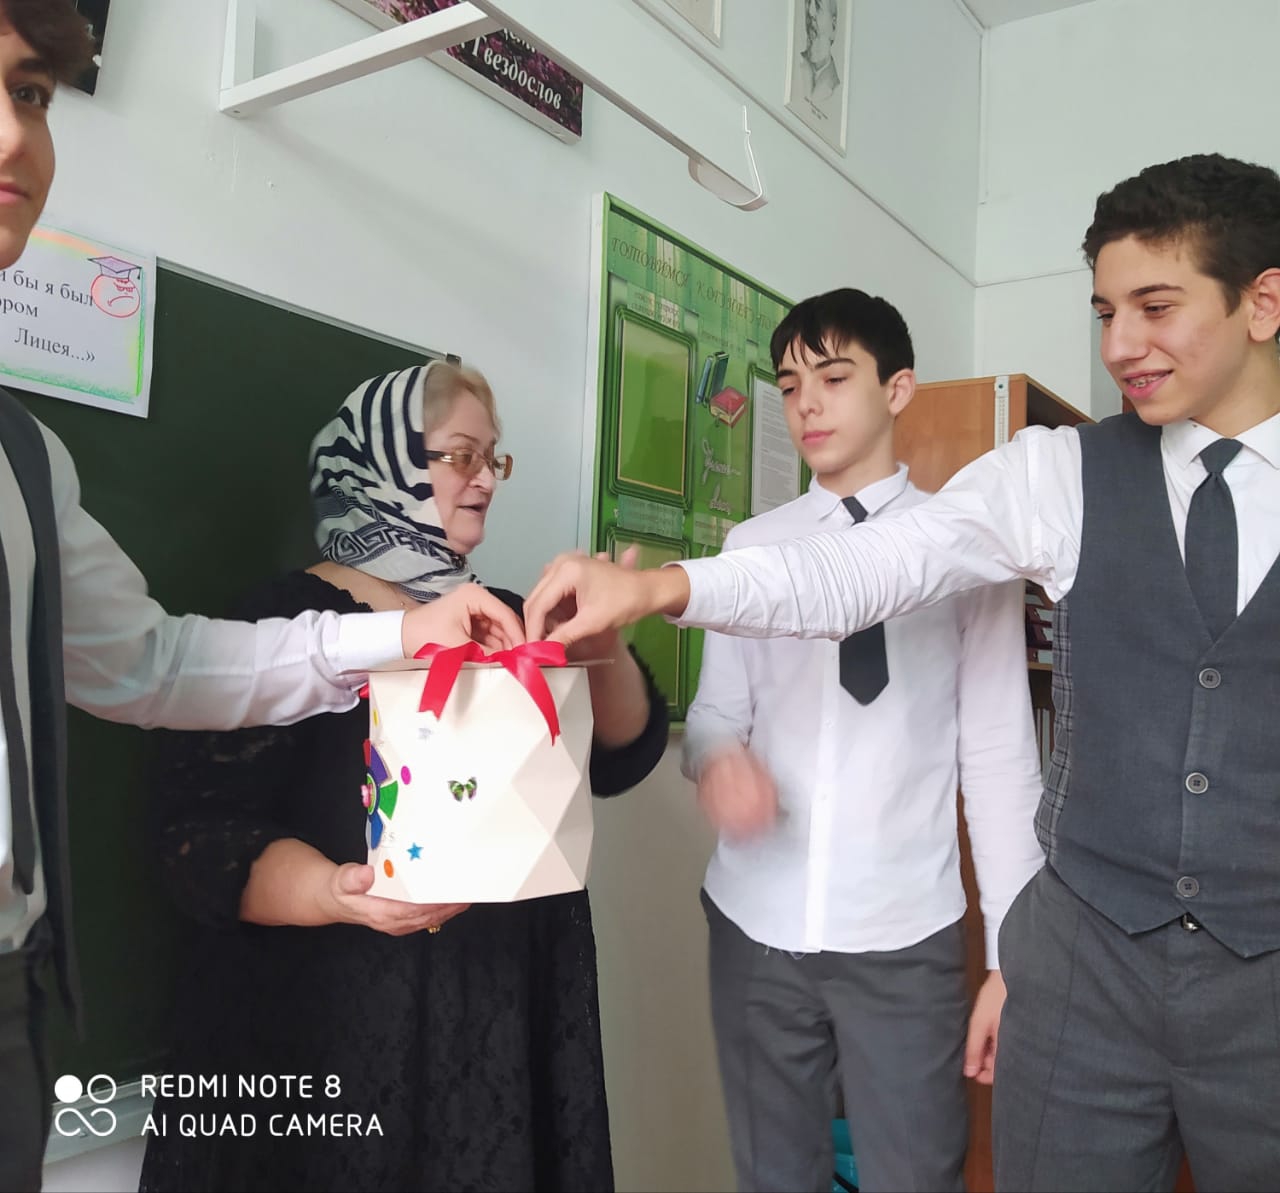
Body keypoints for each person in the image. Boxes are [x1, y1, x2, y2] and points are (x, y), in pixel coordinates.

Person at [526, 153, 1280, 1191]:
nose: (1117, 345)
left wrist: (1000, 952)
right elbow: (864, 570)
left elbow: (998, 759)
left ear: (1262, 302)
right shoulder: (1056, 474)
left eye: (1154, 307)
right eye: (1105, 312)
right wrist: (663, 587)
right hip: (1080, 972)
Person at [0, 7, 520, 1191]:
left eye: (30, 93)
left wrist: (403, 631)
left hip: (15, 992)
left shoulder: (24, 460)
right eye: (452, 455)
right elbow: (203, 833)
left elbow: (153, 663)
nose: (16, 136)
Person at [137, 362, 669, 1193]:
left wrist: (601, 644)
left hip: (495, 1022)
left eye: (493, 458)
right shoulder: (276, 625)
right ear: (379, 459)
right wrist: (333, 892)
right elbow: (198, 837)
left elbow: (619, 755)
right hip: (329, 1025)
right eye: (461, 455)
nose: (485, 479)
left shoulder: (505, 614)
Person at [682, 289, 1043, 1193]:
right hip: (755, 926)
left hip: (904, 936)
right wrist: (720, 762)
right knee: (775, 1177)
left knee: (916, 1176)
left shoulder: (966, 551)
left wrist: (1012, 957)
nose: (806, 403)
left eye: (834, 377)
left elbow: (1000, 763)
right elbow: (714, 717)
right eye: (790, 383)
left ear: (898, 388)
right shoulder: (751, 547)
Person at [798, 0, 841, 107]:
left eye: (818, 6)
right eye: (808, 3)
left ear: (833, 26)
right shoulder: (797, 64)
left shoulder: (836, 87)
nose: (810, 12)